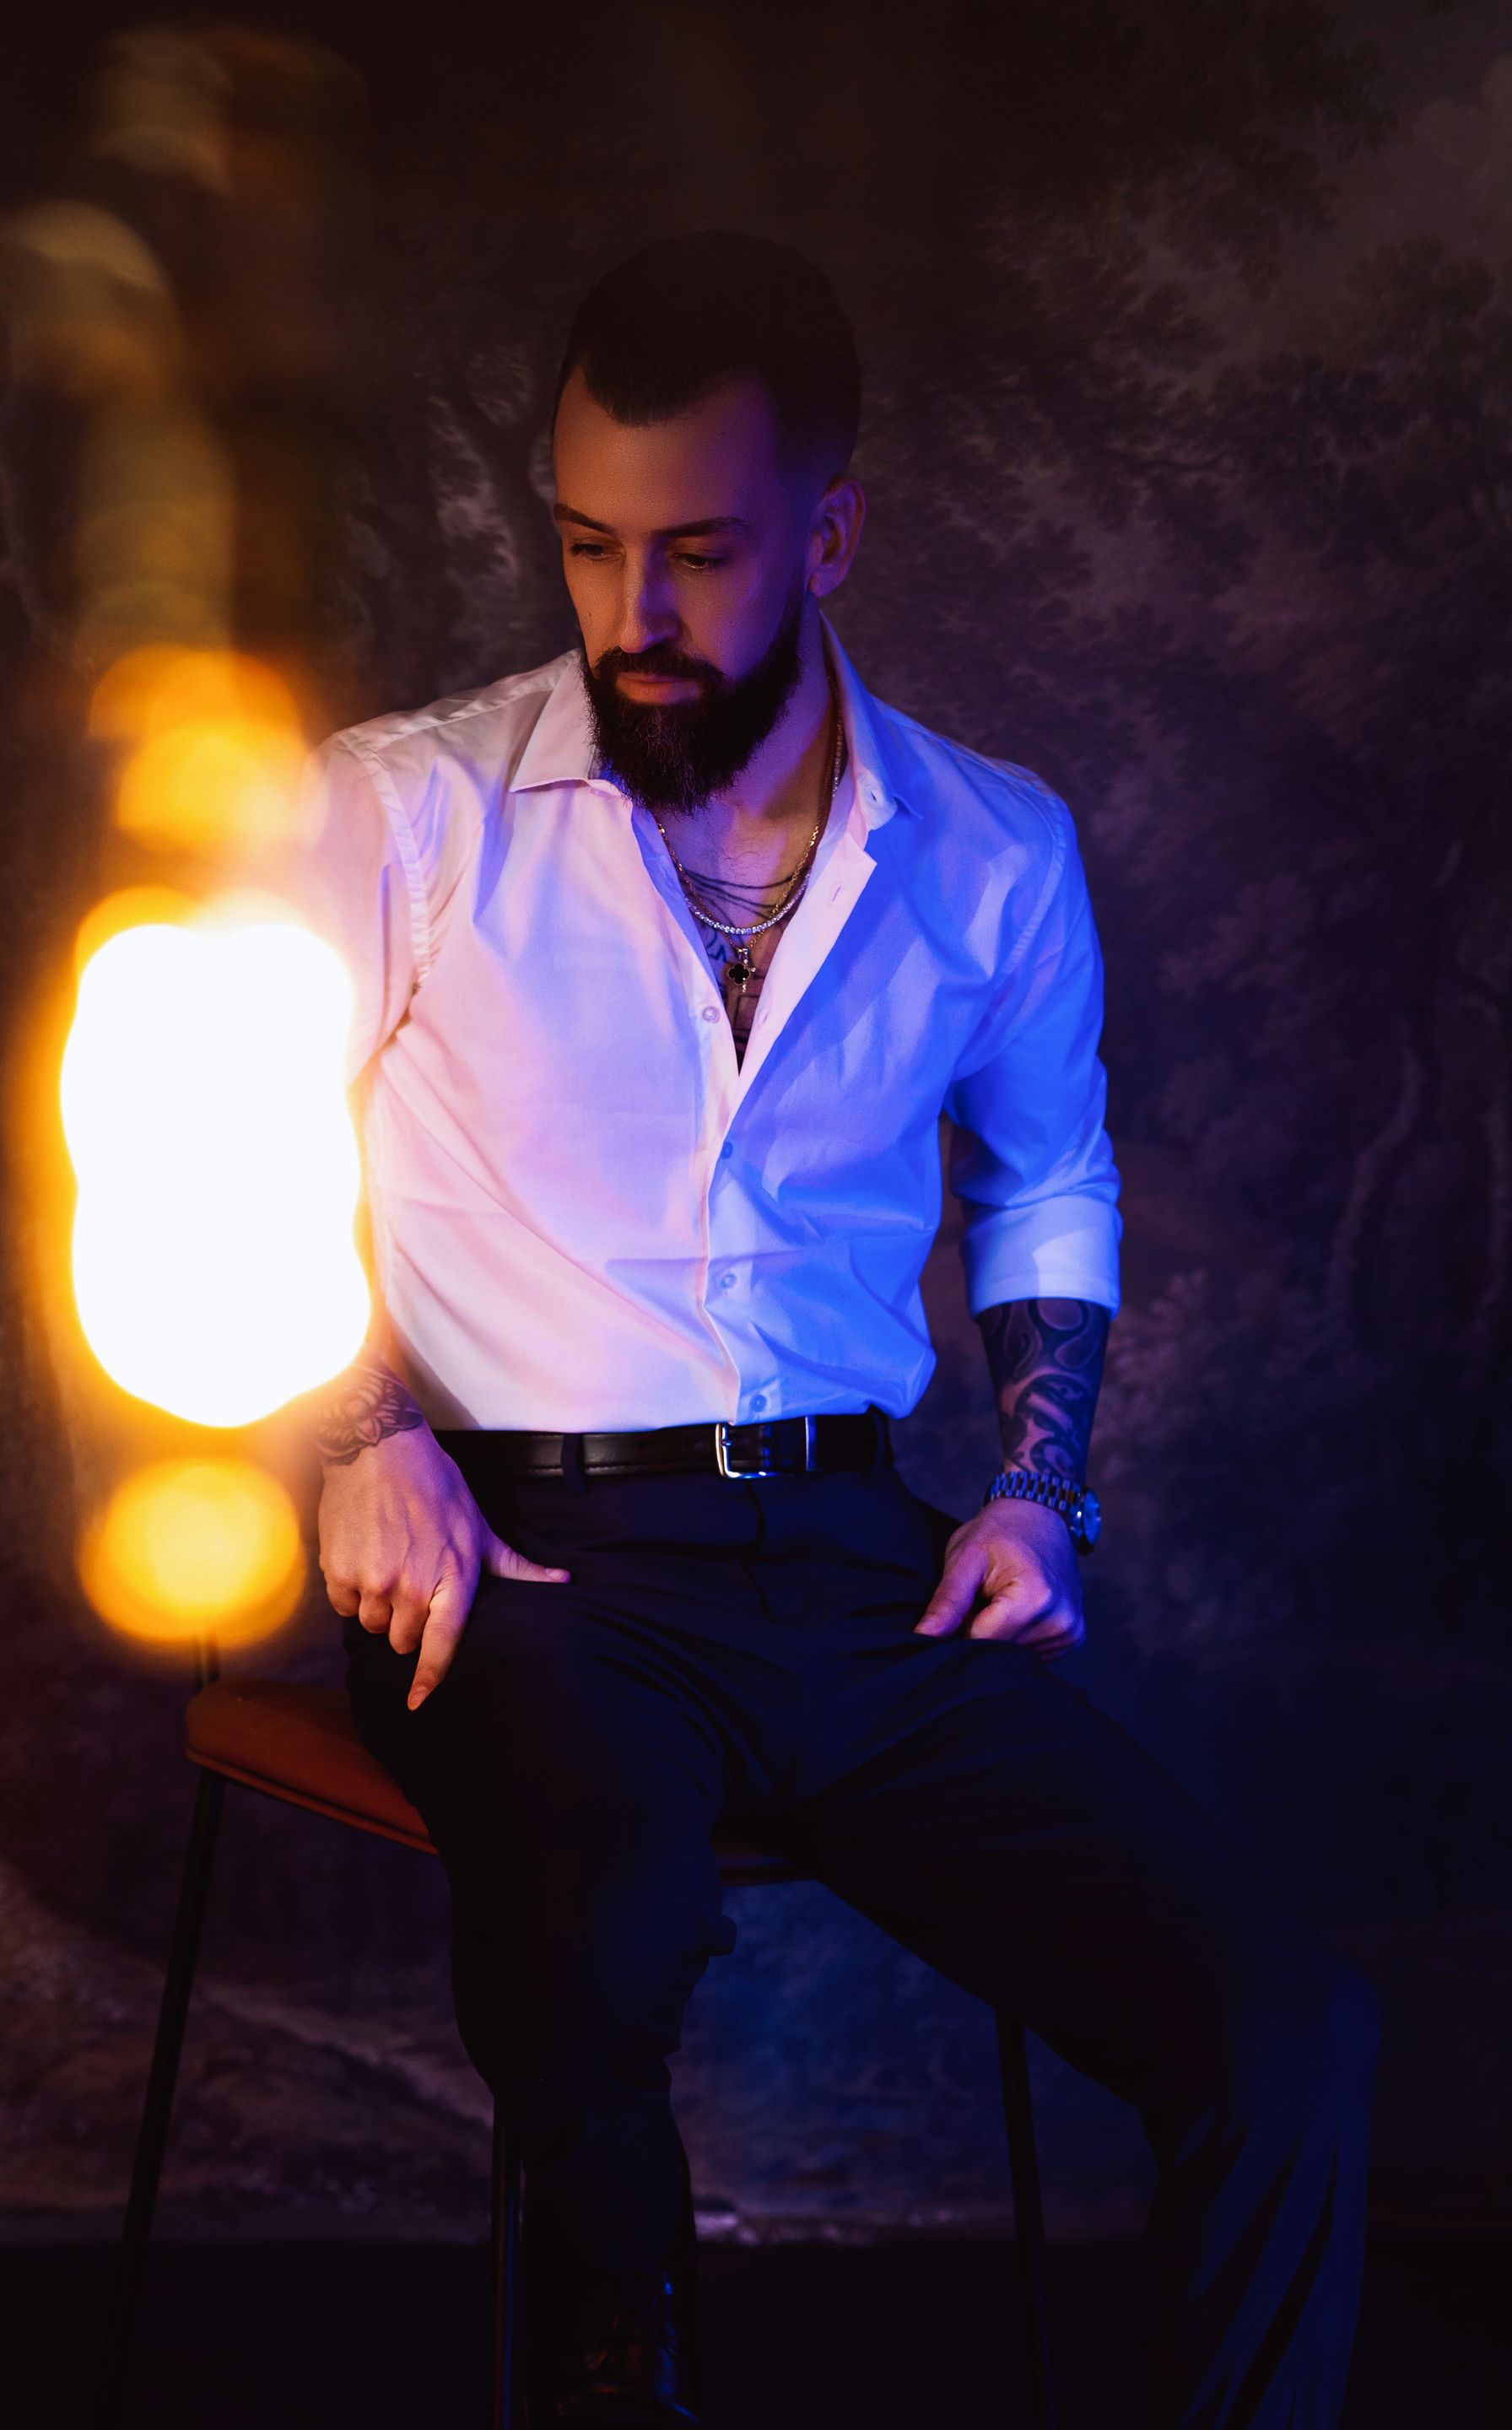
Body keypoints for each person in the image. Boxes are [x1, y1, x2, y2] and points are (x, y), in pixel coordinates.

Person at [299, 232, 1378, 2427]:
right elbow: (221, 1135)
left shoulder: (992, 852)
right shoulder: (395, 811)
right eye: (590, 547)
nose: (635, 619)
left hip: (865, 1579)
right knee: (610, 1922)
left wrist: (1039, 1487)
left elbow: (1049, 1177)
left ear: (836, 533)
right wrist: (358, 1425)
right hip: (523, 1570)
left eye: (698, 552)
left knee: (1285, 2025)